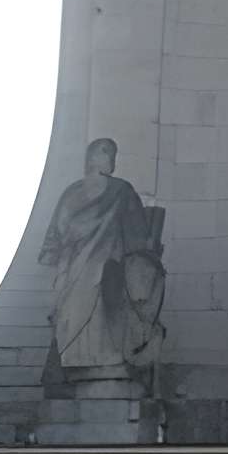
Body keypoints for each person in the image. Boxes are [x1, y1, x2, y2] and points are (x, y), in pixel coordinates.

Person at [38, 137, 164, 377]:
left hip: (83, 265)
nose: (109, 158)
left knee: (90, 308)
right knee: (91, 307)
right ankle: (90, 358)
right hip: (95, 263)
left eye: (111, 154)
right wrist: (150, 248)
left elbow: (53, 239)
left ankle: (85, 358)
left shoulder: (78, 192)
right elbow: (138, 236)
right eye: (106, 152)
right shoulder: (120, 190)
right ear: (92, 158)